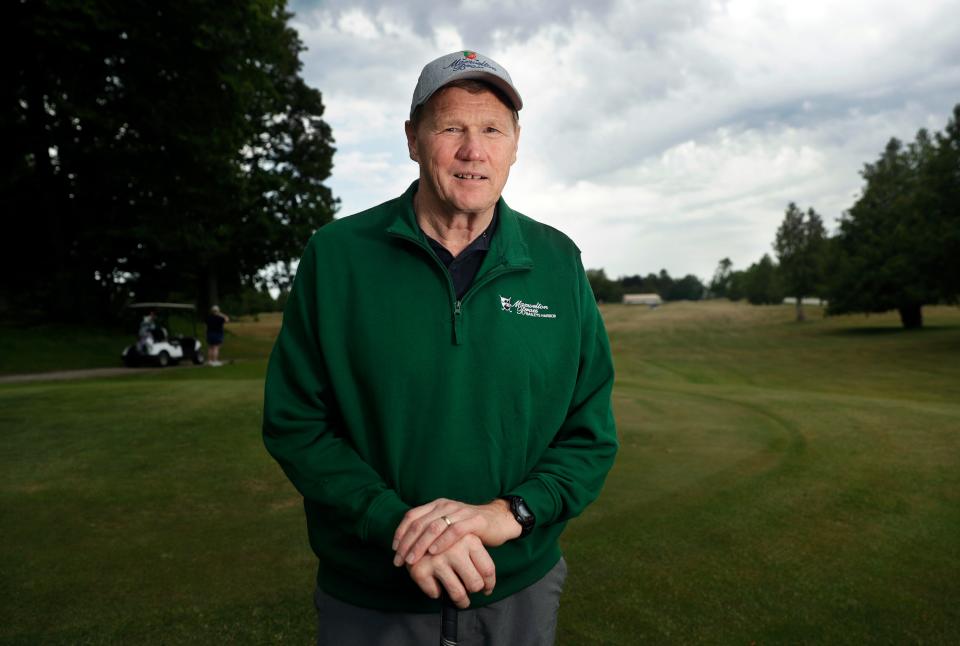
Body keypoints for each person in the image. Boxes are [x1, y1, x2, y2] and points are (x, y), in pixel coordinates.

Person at [262, 50, 618, 645]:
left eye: (491, 130)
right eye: (451, 127)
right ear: (412, 138)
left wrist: (511, 514)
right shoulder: (337, 255)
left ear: (514, 144)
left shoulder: (558, 262)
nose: (472, 150)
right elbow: (297, 423)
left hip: (517, 591)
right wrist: (397, 526)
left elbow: (589, 432)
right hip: (372, 598)